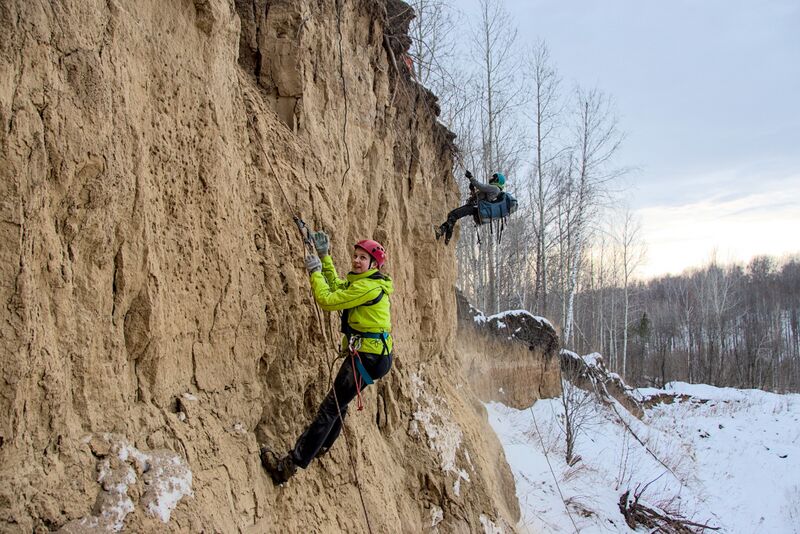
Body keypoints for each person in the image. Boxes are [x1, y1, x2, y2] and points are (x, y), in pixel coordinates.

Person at [261, 232, 394, 485]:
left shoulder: (368, 287)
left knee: (330, 408)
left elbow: (328, 299)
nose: (356, 261)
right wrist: (325, 258)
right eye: (355, 256)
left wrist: (315, 273)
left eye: (362, 258)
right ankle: (323, 445)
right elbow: (339, 287)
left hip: (367, 358)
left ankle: (288, 466)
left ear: (374, 265)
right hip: (375, 356)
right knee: (338, 404)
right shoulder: (363, 282)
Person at [435, 170, 507, 245]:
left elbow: (480, 186)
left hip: (475, 207)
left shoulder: (495, 188)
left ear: (497, 180)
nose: (491, 178)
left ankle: (441, 231)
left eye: (493, 177)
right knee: (452, 214)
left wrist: (471, 177)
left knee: (454, 215)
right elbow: (480, 196)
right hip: (475, 207)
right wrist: (472, 189)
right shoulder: (495, 190)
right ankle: (447, 239)